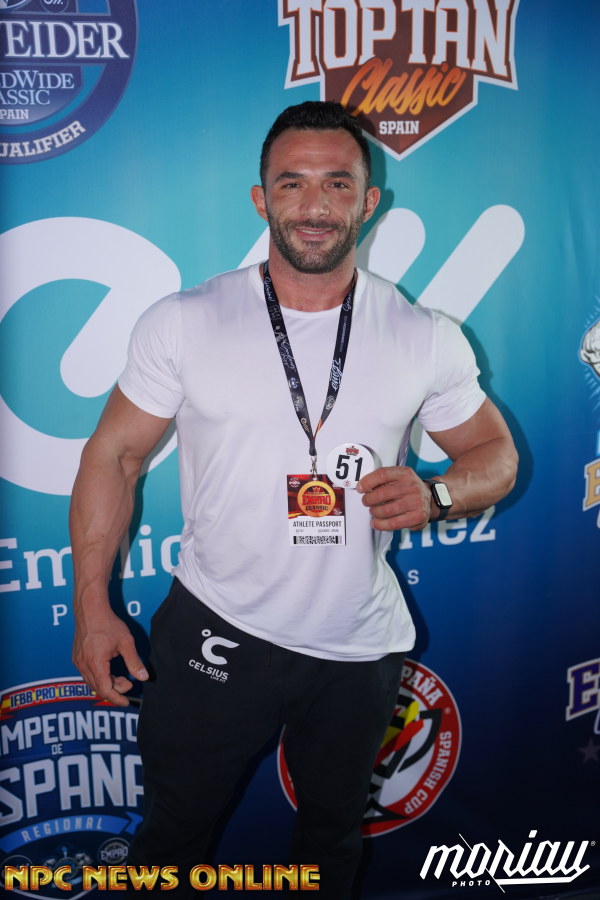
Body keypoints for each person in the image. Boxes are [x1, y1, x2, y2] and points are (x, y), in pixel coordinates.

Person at [70, 101, 518, 897]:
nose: (315, 206)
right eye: (292, 184)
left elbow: (496, 458)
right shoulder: (186, 321)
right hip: (216, 628)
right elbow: (115, 455)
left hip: (357, 648)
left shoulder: (423, 334)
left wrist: (439, 491)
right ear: (261, 199)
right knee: (172, 837)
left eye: (337, 184)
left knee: (329, 847)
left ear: (368, 201)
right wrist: (91, 604)